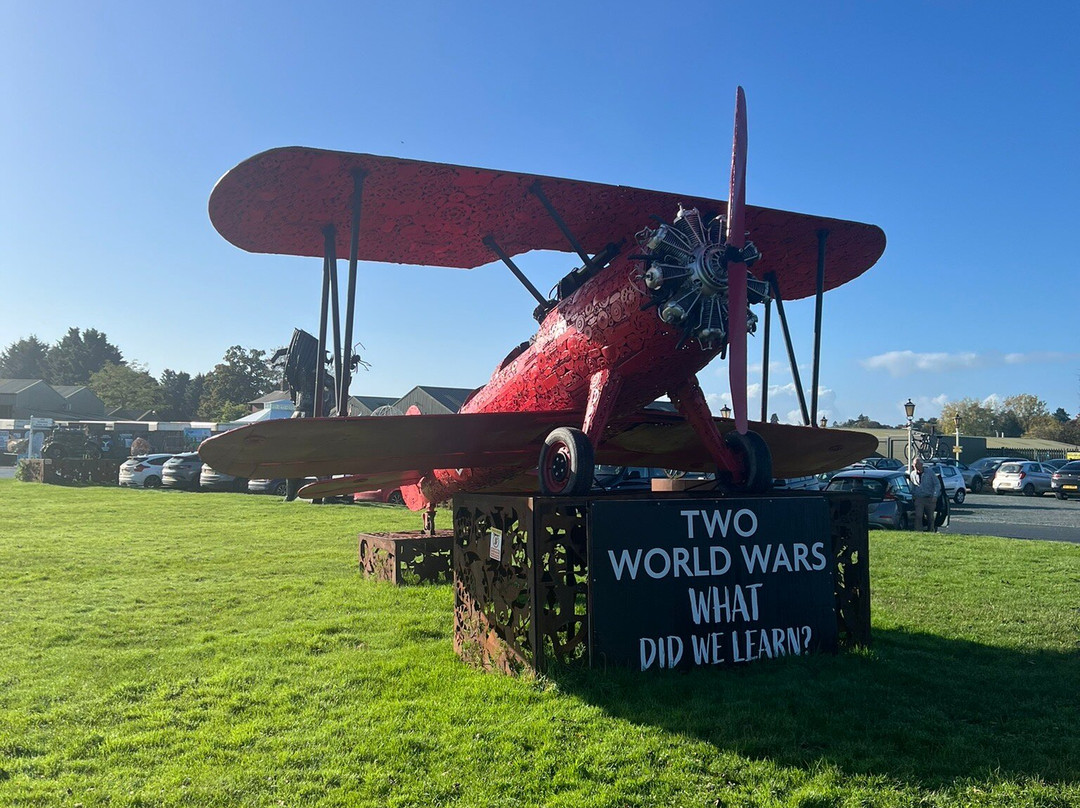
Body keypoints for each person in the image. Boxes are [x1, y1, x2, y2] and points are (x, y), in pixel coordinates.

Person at [910, 457, 940, 532]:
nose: (915, 466)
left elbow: (937, 484)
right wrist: (913, 495)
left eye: (916, 464)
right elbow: (912, 486)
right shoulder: (913, 474)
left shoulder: (930, 472)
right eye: (914, 465)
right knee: (918, 516)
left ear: (921, 464)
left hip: (929, 498)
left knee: (930, 517)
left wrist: (935, 496)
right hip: (919, 498)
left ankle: (931, 530)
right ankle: (918, 531)